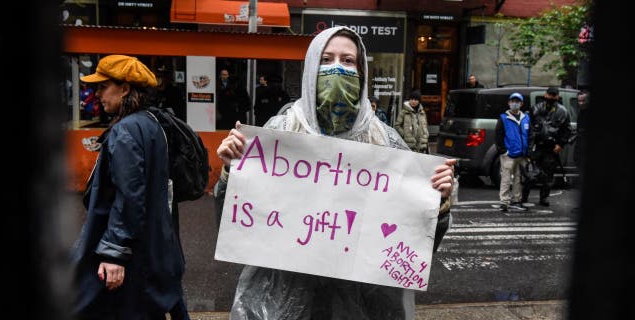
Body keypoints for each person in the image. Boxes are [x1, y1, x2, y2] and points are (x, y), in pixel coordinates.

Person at [215, 26, 456, 320]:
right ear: (311, 70)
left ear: (362, 73)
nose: (337, 68)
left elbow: (414, 241)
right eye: (326, 60)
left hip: (365, 305)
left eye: (348, 60)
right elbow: (237, 224)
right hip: (282, 304)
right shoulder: (279, 134)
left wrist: (438, 203)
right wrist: (232, 171)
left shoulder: (386, 141)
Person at [71, 54, 189, 320]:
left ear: (125, 89)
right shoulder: (152, 124)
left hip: (131, 256)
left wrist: (114, 254)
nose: (97, 93)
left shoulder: (125, 131)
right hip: (152, 251)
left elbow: (129, 196)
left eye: (103, 86)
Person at [521, 86, 573, 206]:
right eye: (550, 95)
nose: (551, 97)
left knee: (548, 175)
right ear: (546, 95)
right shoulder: (536, 108)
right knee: (530, 173)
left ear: (557, 97)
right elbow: (527, 127)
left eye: (554, 95)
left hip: (551, 148)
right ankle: (524, 198)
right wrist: (529, 145)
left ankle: (543, 198)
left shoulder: (563, 111)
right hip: (536, 146)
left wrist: (560, 144)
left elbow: (567, 130)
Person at [495, 92, 530, 212]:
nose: (515, 103)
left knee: (518, 179)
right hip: (508, 155)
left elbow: (529, 135)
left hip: (521, 154)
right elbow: (498, 136)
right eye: (513, 101)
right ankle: (504, 201)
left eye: (517, 101)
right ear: (509, 103)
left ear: (521, 104)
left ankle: (516, 200)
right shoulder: (504, 118)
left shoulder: (525, 118)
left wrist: (528, 151)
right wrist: (503, 151)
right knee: (505, 179)